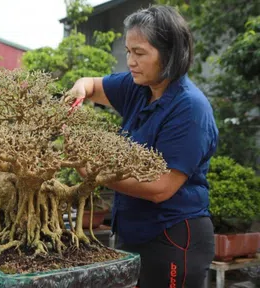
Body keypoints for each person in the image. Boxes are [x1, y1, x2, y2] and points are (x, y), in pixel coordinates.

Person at [67, 5, 218, 288]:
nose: (130, 62)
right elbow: (90, 85)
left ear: (170, 54)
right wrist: (79, 89)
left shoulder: (190, 109)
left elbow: (161, 187)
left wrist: (93, 172)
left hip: (172, 236)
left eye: (139, 53)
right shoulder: (140, 88)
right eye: (128, 51)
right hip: (134, 232)